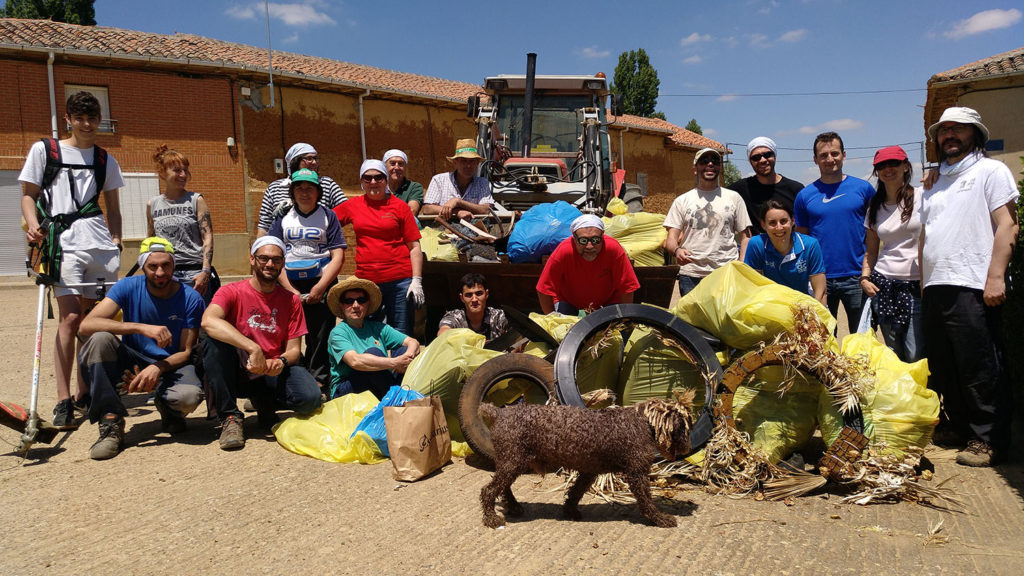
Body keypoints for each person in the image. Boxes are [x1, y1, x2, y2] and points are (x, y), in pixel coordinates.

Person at [19, 91, 124, 429]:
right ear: (68, 119)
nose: (86, 123)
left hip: (100, 246)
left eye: (92, 117)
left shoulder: (105, 159)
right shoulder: (44, 150)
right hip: (63, 244)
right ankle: (63, 399)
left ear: (99, 120)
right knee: (70, 319)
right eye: (80, 117)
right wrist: (34, 224)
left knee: (94, 321)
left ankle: (84, 393)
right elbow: (28, 196)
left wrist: (117, 240)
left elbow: (114, 208)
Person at [920, 107, 1018, 467]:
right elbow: (926, 236)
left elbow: (1007, 225)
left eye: (958, 129)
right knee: (946, 366)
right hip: (937, 285)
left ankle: (989, 439)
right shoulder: (934, 182)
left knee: (981, 365)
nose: (950, 135)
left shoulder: (991, 172)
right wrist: (923, 284)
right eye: (944, 130)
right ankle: (960, 427)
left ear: (975, 133)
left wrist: (995, 276)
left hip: (973, 284)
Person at [76, 237, 205, 459]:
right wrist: (140, 328)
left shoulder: (190, 297)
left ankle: (168, 408)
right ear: (143, 265)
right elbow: (86, 325)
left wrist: (157, 368)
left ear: (174, 265)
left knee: (189, 397)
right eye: (152, 266)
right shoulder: (127, 286)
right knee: (99, 339)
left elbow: (186, 351)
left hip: (171, 364)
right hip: (133, 359)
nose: (160, 272)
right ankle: (110, 422)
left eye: (166, 265)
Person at [201, 236, 323, 450]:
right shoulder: (231, 291)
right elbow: (208, 321)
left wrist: (281, 362)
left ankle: (264, 401)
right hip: (240, 368)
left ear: (283, 264)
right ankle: (230, 418)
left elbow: (294, 350)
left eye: (276, 260)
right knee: (212, 342)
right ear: (252, 259)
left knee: (310, 399)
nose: (270, 264)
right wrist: (252, 347)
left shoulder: (291, 300)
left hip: (271, 370)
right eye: (264, 258)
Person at [267, 168, 347, 389]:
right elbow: (273, 253)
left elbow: (338, 254)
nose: (304, 193)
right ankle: (284, 378)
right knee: (287, 332)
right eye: (299, 188)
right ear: (292, 192)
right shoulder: (283, 216)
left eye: (309, 188)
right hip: (288, 282)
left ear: (318, 192)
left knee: (320, 335)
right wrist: (290, 289)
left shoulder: (327, 215)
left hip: (321, 280)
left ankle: (319, 381)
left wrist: (321, 287)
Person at [794, 132, 875, 334]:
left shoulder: (863, 189)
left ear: (844, 155)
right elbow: (801, 240)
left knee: (863, 338)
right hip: (820, 277)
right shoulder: (805, 196)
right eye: (823, 155)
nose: (830, 159)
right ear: (815, 159)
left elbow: (875, 232)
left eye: (834, 153)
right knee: (825, 338)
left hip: (857, 276)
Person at [333, 159, 423, 336]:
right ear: (362, 181)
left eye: (378, 177)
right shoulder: (353, 205)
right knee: (365, 330)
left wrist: (417, 280)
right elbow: (327, 222)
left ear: (386, 180)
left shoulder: (400, 207)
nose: (373, 182)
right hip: (367, 282)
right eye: (368, 178)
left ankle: (402, 364)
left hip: (400, 281)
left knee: (401, 333)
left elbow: (414, 246)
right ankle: (375, 364)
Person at [859, 146, 923, 363]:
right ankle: (902, 397)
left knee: (917, 352)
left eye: (893, 163)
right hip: (884, 286)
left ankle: (922, 395)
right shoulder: (875, 207)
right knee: (894, 353)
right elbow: (871, 250)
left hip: (917, 288)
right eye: (882, 166)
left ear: (906, 166)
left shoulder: (923, 197)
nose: (888, 169)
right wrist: (865, 278)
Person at [663, 148, 752, 297]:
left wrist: (741, 266)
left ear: (719, 168)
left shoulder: (734, 198)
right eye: (704, 161)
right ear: (695, 169)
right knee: (692, 320)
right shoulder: (682, 201)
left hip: (726, 272)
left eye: (715, 161)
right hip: (691, 275)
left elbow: (746, 236)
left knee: (725, 319)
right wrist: (677, 251)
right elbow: (671, 238)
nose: (710, 164)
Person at [326, 277, 420, 400]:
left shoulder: (378, 327)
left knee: (403, 350)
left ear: (367, 303)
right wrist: (395, 362)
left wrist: (407, 357)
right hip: (347, 391)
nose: (355, 305)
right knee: (373, 353)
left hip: (378, 384)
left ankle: (399, 395)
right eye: (349, 301)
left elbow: (413, 342)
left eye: (361, 300)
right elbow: (355, 361)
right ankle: (400, 398)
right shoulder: (338, 333)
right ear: (342, 305)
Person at [147, 145, 218, 303]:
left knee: (197, 324)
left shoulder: (196, 200)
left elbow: (208, 238)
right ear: (162, 173)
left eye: (185, 170)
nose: (183, 174)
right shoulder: (153, 204)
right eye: (177, 170)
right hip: (164, 274)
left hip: (193, 274)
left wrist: (205, 271)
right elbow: (150, 240)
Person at [536, 214, 640, 314]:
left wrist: (625, 318)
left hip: (608, 302)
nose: (590, 246)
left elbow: (627, 287)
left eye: (595, 240)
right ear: (574, 239)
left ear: (602, 236)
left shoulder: (613, 249)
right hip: (568, 302)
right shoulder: (564, 251)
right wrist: (551, 317)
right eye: (583, 240)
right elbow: (543, 289)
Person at [743, 199, 826, 304]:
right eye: (772, 223)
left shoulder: (810, 245)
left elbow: (820, 291)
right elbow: (752, 286)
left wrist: (816, 316)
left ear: (792, 221)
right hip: (770, 305)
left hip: (802, 306)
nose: (779, 227)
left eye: (783, 221)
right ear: (763, 225)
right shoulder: (756, 244)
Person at [256, 142, 347, 237]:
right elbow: (264, 226)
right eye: (309, 159)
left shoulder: (327, 184)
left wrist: (325, 222)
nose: (314, 162)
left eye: (316, 158)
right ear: (295, 161)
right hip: (282, 248)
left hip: (319, 246)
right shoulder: (274, 188)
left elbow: (346, 210)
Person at [730, 137, 805, 234]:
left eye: (767, 155)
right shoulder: (741, 189)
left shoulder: (795, 189)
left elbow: (804, 225)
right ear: (750, 161)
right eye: (756, 157)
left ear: (775, 156)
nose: (762, 160)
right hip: (758, 248)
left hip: (790, 247)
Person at [422, 138, 494, 221]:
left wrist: (458, 202)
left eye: (472, 161)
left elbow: (486, 210)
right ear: (455, 162)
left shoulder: (482, 183)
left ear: (477, 163)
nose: (468, 165)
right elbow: (427, 209)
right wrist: (457, 212)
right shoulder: (439, 180)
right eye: (464, 161)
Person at [438, 273, 510, 342]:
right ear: (462, 298)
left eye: (479, 294)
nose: (474, 299)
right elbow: (443, 332)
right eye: (469, 295)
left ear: (486, 294)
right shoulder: (455, 317)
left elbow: (516, 335)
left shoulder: (498, 316)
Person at [383, 149, 424, 217]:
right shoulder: (378, 187)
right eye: (392, 163)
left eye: (400, 164)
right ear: (384, 166)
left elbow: (411, 211)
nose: (397, 167)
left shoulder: (414, 187)